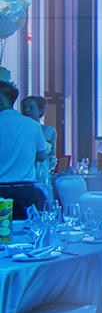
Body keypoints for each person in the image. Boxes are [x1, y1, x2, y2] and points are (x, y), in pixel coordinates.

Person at [0, 81, 47, 217]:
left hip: (1, 190)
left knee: (3, 230)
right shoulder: (33, 125)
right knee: (27, 229)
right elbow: (41, 156)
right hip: (25, 191)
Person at [20, 95, 56, 198]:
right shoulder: (20, 130)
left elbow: (52, 155)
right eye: (24, 107)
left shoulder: (49, 131)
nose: (27, 110)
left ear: (41, 111)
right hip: (24, 173)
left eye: (31, 108)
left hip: (43, 173)